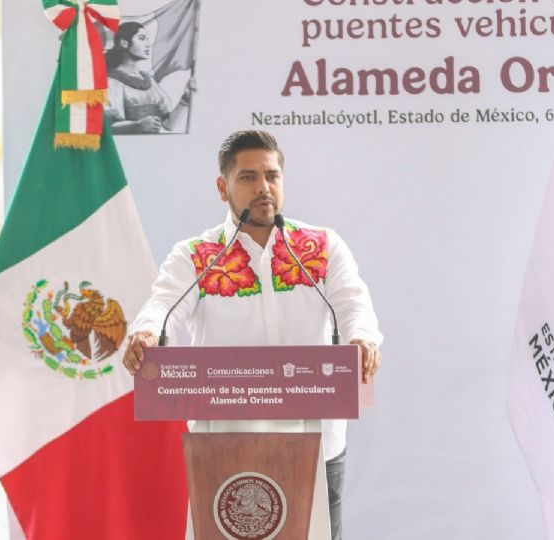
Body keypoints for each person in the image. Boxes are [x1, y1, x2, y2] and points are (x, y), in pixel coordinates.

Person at [123, 130, 382, 540]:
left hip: (316, 443)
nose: (263, 187)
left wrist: (362, 338)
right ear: (222, 187)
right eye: (247, 177)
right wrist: (146, 333)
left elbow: (353, 304)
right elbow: (163, 306)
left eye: (272, 175)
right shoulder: (197, 256)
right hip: (223, 445)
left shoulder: (320, 246)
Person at [104, 21, 195, 134]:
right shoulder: (111, 81)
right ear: (124, 43)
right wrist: (136, 126)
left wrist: (185, 99)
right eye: (142, 38)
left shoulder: (149, 81)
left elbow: (168, 125)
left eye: (147, 39)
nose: (148, 44)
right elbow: (107, 127)